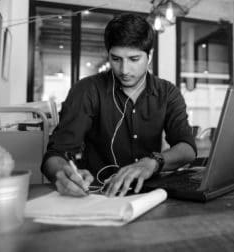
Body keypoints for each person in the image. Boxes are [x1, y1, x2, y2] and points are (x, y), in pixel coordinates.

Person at [41, 13, 197, 197]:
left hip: (148, 194)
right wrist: (61, 173)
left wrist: (152, 162)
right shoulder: (86, 90)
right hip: (97, 194)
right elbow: (54, 155)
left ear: (150, 55)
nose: (124, 70)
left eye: (134, 59)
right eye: (116, 59)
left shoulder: (168, 93)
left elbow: (187, 148)